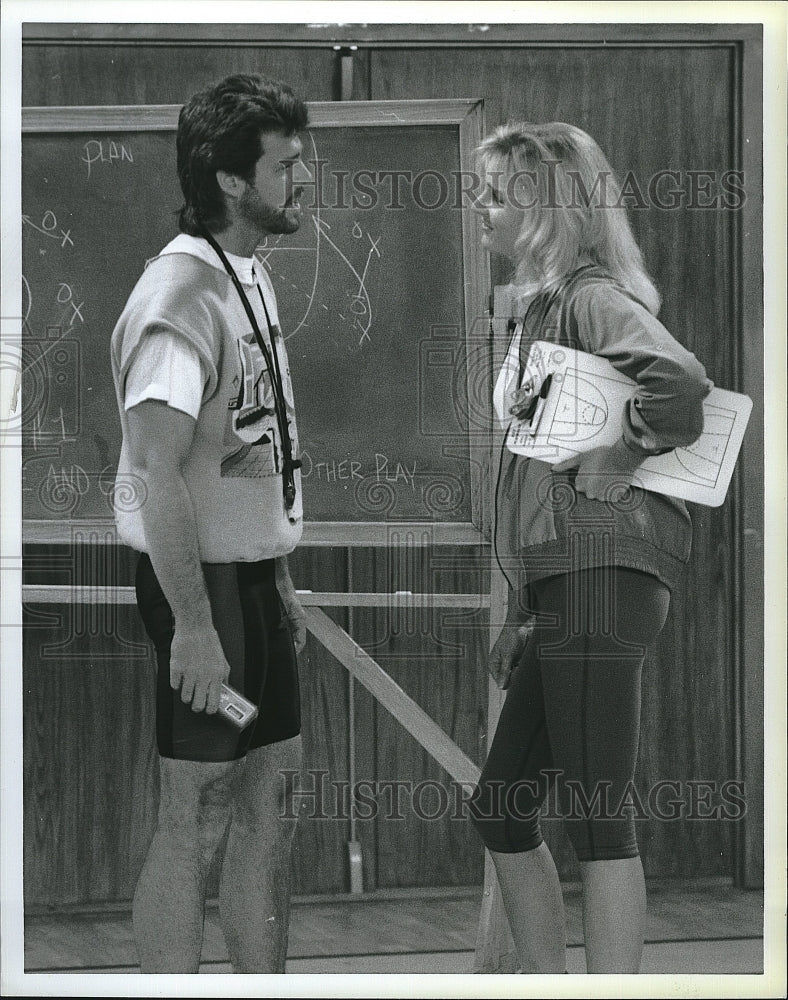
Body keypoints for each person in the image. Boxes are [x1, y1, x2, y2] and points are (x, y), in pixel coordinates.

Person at [468, 122, 713, 974]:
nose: (481, 211)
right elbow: (538, 479)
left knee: (599, 817)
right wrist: (526, 615)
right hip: (566, 585)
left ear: (544, 208)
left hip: (604, 577)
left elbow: (679, 384)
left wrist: (622, 450)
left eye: (495, 195)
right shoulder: (543, 305)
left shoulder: (589, 294)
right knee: (501, 807)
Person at [110, 74, 313, 973]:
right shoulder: (179, 298)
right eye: (286, 164)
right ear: (232, 181)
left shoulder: (247, 276)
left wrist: (279, 574)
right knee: (195, 807)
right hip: (203, 596)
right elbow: (157, 471)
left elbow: (241, 447)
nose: (303, 179)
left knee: (270, 796)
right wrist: (194, 627)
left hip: (253, 585)